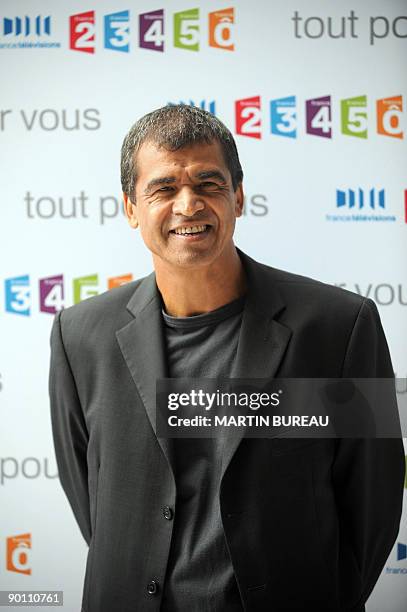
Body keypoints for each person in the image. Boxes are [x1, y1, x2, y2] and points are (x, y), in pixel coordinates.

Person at [49, 104, 405, 612]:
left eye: (209, 184)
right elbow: (92, 503)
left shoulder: (338, 327)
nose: (188, 204)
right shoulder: (80, 335)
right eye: (164, 188)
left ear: (237, 196)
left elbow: (373, 503)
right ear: (130, 207)